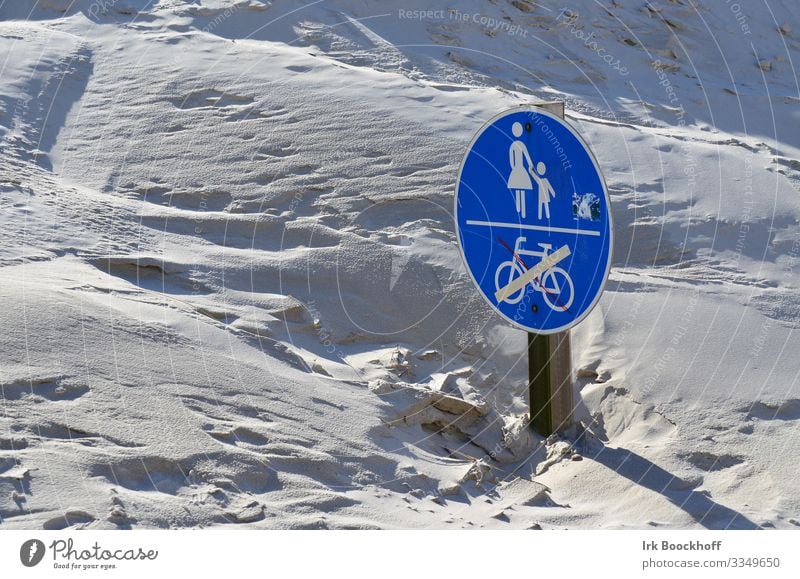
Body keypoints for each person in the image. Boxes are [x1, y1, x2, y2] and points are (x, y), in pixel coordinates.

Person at [507, 122, 535, 219]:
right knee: (521, 190)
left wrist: (514, 168)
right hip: (521, 169)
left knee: (518, 190)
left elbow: (511, 160)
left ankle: (520, 211)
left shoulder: (513, 145)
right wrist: (530, 166)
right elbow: (527, 157)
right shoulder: (521, 144)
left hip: (516, 170)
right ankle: (522, 212)